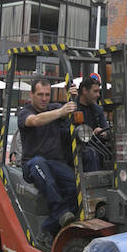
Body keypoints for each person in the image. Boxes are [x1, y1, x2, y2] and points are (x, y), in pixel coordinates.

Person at [18, 77, 78, 241]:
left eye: (47, 94)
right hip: (32, 164)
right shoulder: (25, 112)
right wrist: (61, 112)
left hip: (55, 162)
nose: (44, 98)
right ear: (31, 95)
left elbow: (71, 113)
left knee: (76, 185)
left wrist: (74, 98)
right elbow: (35, 121)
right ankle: (61, 212)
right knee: (41, 166)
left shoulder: (54, 107)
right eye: (40, 94)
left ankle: (49, 226)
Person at [74, 76, 110, 172]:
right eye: (95, 91)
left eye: (98, 91)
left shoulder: (98, 109)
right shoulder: (73, 108)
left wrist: (103, 132)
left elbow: (106, 128)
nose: (98, 95)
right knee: (91, 153)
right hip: (78, 148)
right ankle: (93, 184)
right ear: (85, 90)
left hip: (97, 146)